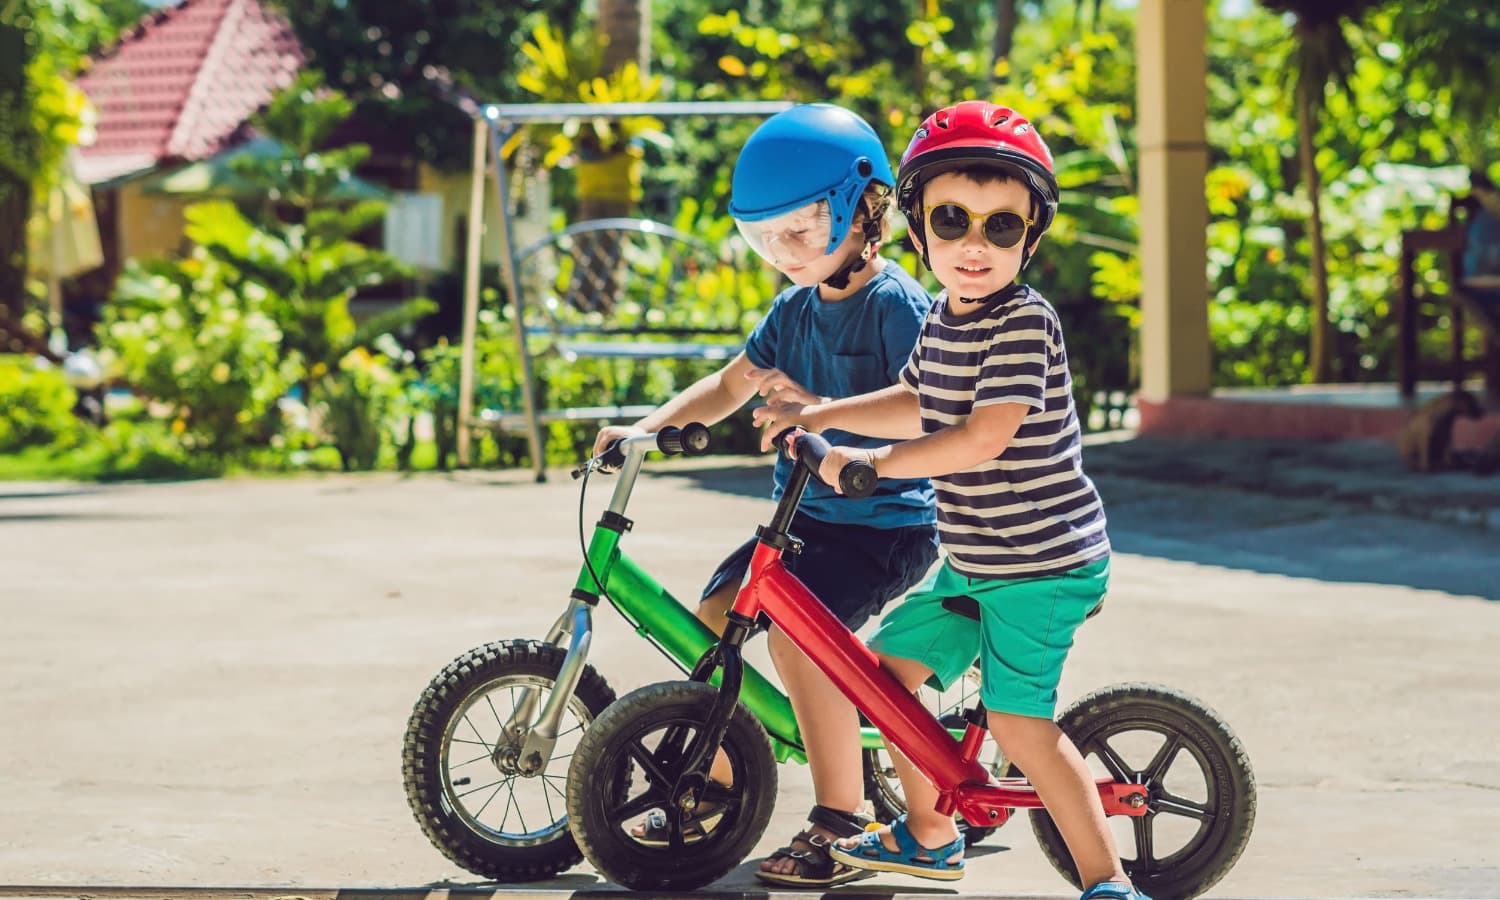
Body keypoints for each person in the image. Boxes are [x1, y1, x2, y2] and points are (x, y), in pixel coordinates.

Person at [753, 100, 1147, 900]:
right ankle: (932, 837)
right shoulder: (944, 319)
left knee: (1017, 723)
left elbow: (979, 437)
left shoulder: (1024, 324)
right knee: (880, 683)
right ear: (918, 224)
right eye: (953, 220)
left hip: (1042, 566)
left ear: (1030, 238)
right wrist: (820, 415)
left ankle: (1107, 882)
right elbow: (915, 396)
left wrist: (869, 467)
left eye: (1002, 228)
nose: (975, 244)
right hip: (975, 560)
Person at [589, 102, 939, 887]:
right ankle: (714, 784)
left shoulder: (897, 308)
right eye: (766, 236)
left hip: (885, 523)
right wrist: (644, 429)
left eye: (802, 231)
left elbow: (925, 409)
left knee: (799, 637)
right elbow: (728, 386)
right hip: (804, 521)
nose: (783, 252)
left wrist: (825, 422)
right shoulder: (792, 310)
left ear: (862, 209)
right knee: (715, 616)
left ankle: (842, 821)